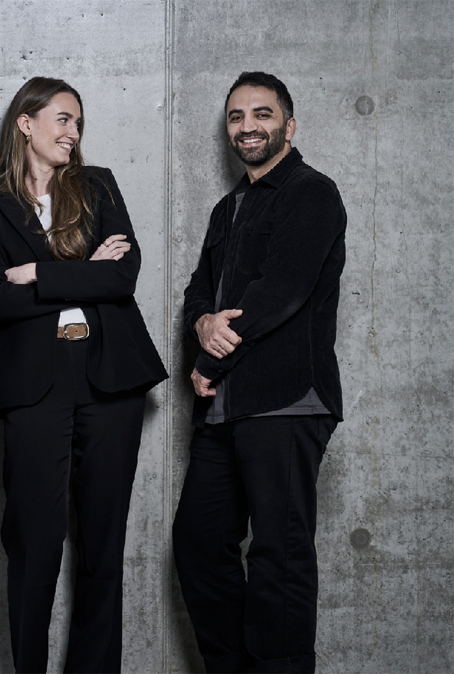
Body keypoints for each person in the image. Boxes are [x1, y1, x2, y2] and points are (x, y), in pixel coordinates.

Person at [0, 77, 167, 673]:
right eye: (63, 119)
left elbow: (122, 276)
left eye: (78, 122)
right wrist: (83, 270)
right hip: (35, 387)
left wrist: (37, 273)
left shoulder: (97, 185)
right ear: (26, 123)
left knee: (104, 545)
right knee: (33, 543)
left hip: (110, 381)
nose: (73, 132)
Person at [172, 72, 346, 673]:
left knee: (280, 554)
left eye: (262, 114)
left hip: (286, 400)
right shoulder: (228, 208)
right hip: (223, 407)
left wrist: (208, 358)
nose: (248, 126)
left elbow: (281, 291)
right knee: (199, 545)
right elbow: (199, 292)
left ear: (289, 126)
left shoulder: (311, 192)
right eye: (236, 116)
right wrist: (201, 324)